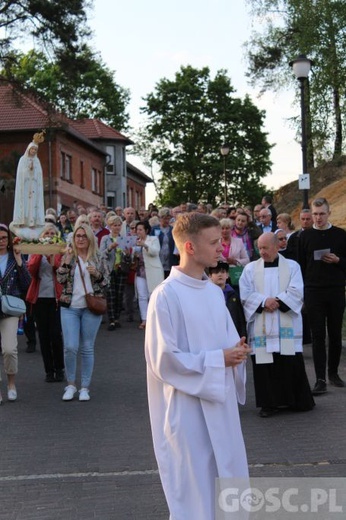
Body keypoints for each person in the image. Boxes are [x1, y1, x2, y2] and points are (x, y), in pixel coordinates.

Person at [145, 213, 251, 519]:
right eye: (215, 242)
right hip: (187, 410)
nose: (222, 248)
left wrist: (237, 352)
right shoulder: (165, 296)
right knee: (197, 492)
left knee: (227, 483)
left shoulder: (214, 292)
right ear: (190, 247)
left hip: (221, 406)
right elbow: (163, 360)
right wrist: (220, 359)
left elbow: (227, 344)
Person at [239, 232, 315, 418]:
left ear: (277, 246)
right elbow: (245, 293)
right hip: (262, 323)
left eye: (265, 248)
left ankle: (296, 401)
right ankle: (269, 404)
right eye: (259, 248)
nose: (262, 251)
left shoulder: (292, 266)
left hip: (285, 321)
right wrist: (265, 301)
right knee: (265, 364)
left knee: (289, 360)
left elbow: (297, 290)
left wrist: (278, 301)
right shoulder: (250, 269)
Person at [299, 197, 346, 395]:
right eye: (315, 214)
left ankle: (333, 373)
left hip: (335, 290)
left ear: (329, 213)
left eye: (322, 214)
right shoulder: (305, 236)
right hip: (313, 291)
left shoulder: (341, 235)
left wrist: (338, 260)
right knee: (317, 336)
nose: (318, 218)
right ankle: (320, 379)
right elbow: (300, 265)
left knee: (334, 334)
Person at [56, 224, 109, 401]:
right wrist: (65, 261)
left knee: (87, 347)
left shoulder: (98, 257)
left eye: (83, 236)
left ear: (90, 239)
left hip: (91, 307)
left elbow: (106, 281)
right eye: (77, 236)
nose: (80, 239)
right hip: (70, 307)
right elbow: (60, 279)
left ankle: (84, 387)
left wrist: (97, 274)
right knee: (70, 347)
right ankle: (70, 384)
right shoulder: (69, 256)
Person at [26, 224, 65, 383]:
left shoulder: (60, 249)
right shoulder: (36, 250)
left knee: (55, 334)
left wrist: (51, 257)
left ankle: (59, 368)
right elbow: (31, 270)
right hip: (39, 297)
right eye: (46, 233)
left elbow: (61, 269)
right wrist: (40, 253)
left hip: (56, 297)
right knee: (43, 335)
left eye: (51, 233)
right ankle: (48, 370)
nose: (49, 235)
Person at [0, 223, 31, 402]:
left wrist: (20, 261)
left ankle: (11, 383)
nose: (1, 241)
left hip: (10, 309)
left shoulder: (14, 257)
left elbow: (27, 283)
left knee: (10, 349)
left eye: (4, 238)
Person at [10, 132, 45, 239]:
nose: (33, 151)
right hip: (25, 188)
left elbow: (39, 176)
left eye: (35, 150)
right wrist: (27, 170)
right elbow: (20, 175)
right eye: (32, 149)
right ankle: (23, 222)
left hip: (34, 187)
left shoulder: (37, 161)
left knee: (33, 205)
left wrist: (33, 171)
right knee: (25, 205)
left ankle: (33, 223)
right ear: (28, 149)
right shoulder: (22, 160)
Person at [100, 216, 132, 330]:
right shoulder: (105, 238)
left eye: (119, 225)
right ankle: (112, 320)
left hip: (121, 269)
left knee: (119, 295)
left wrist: (128, 254)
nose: (117, 227)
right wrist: (109, 248)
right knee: (111, 295)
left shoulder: (123, 238)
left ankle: (117, 318)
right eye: (114, 225)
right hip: (110, 270)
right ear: (109, 226)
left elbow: (129, 259)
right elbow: (101, 255)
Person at [134, 221, 164, 330]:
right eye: (137, 230)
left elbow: (155, 252)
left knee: (153, 295)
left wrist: (145, 245)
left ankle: (155, 319)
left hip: (152, 270)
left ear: (146, 230)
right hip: (140, 271)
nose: (138, 232)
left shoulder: (153, 239)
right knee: (142, 296)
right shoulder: (135, 241)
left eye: (140, 229)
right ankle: (144, 319)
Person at [207, 261, 247, 338]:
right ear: (210, 276)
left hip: (233, 336)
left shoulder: (234, 295)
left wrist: (243, 336)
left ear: (227, 275)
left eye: (223, 272)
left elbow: (240, 319)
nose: (220, 274)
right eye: (216, 272)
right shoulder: (207, 295)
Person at [150, 207, 179, 278]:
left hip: (170, 260)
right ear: (160, 218)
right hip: (158, 259)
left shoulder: (173, 230)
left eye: (168, 218)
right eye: (165, 218)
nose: (167, 220)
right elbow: (150, 243)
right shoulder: (154, 229)